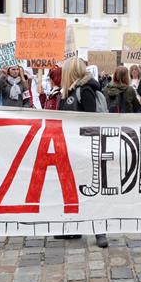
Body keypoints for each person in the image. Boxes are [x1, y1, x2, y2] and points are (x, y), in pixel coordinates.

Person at [58, 57, 108, 248]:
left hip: (86, 148)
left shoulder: (84, 90)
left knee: (93, 189)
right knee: (73, 190)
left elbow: (91, 121)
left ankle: (100, 231)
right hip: (74, 147)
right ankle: (73, 228)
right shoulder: (70, 90)